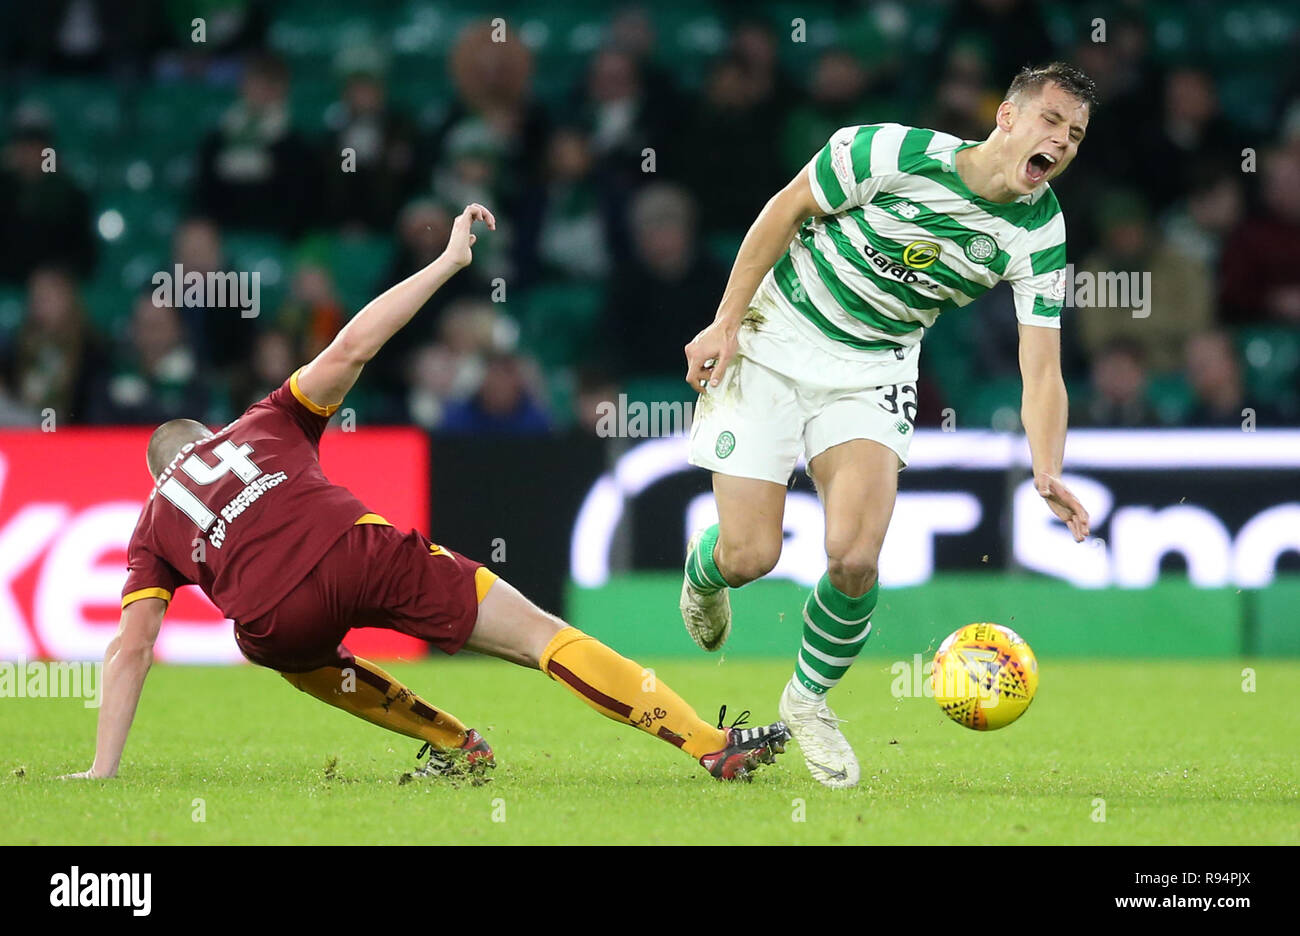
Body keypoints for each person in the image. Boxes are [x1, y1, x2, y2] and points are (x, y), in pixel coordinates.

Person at [63, 204, 788, 784]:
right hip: (354, 547)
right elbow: (352, 345)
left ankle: (454, 742)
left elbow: (132, 647)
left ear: (161, 475)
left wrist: (102, 769)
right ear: (210, 433)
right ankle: (706, 742)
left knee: (278, 650)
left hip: (277, 620)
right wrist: (446, 263)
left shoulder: (154, 523)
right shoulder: (263, 420)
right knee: (539, 636)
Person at [680, 63, 1095, 788]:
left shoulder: (1041, 230)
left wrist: (1047, 465)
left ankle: (807, 701)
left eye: (1076, 136)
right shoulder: (890, 153)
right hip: (774, 339)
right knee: (752, 556)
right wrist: (723, 322)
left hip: (873, 372)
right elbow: (784, 209)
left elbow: (1042, 367)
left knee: (855, 556)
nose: (1060, 143)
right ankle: (706, 568)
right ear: (1006, 117)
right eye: (1050, 122)